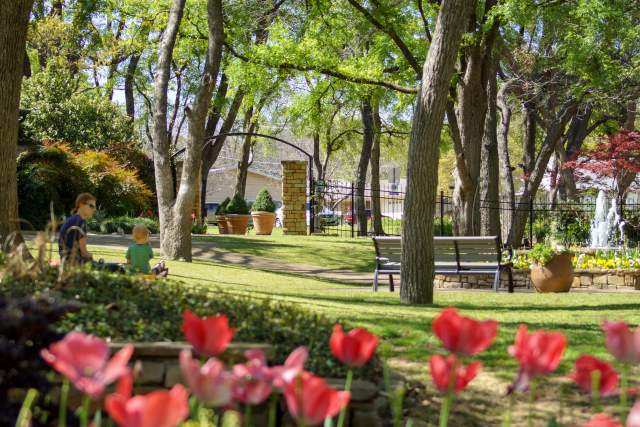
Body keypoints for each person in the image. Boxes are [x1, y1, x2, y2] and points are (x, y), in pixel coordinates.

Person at [58, 193, 96, 265]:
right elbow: (84, 253)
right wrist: (91, 256)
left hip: (66, 262)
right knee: (116, 268)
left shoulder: (72, 219)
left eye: (94, 207)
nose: (94, 209)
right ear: (81, 204)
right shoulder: (80, 222)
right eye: (91, 206)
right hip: (76, 264)